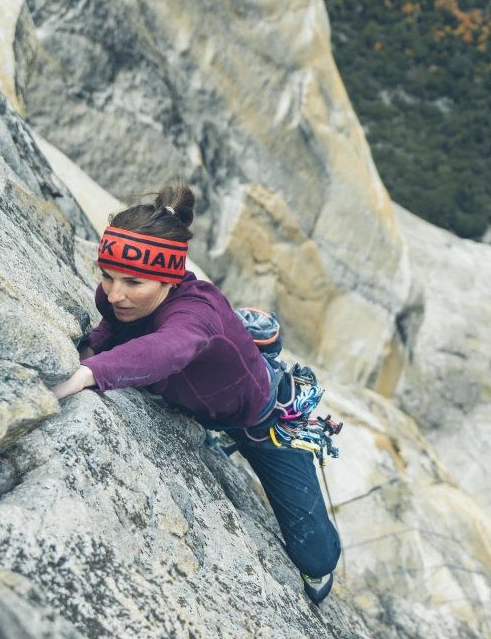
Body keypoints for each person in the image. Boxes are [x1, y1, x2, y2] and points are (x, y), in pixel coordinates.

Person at [50, 184, 340, 604]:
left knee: (316, 558)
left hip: (262, 416)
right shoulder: (119, 297)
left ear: (170, 278)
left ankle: (258, 366)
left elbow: (167, 348)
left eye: (132, 280)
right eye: (107, 275)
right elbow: (112, 329)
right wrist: (89, 350)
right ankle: (239, 366)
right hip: (204, 395)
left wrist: (87, 374)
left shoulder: (194, 315)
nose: (115, 293)